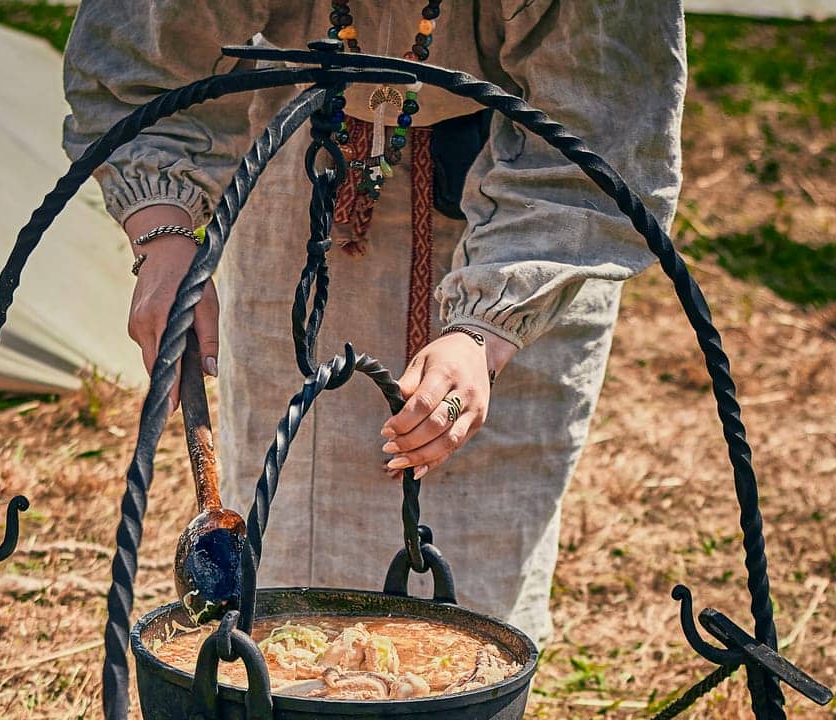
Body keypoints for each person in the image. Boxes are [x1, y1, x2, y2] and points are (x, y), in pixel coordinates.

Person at [63, 2, 685, 646]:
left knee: (477, 532)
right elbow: (139, 58)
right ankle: (281, 699)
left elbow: (602, 124)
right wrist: (164, 235)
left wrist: (486, 331)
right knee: (294, 484)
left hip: (525, 202)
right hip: (306, 175)